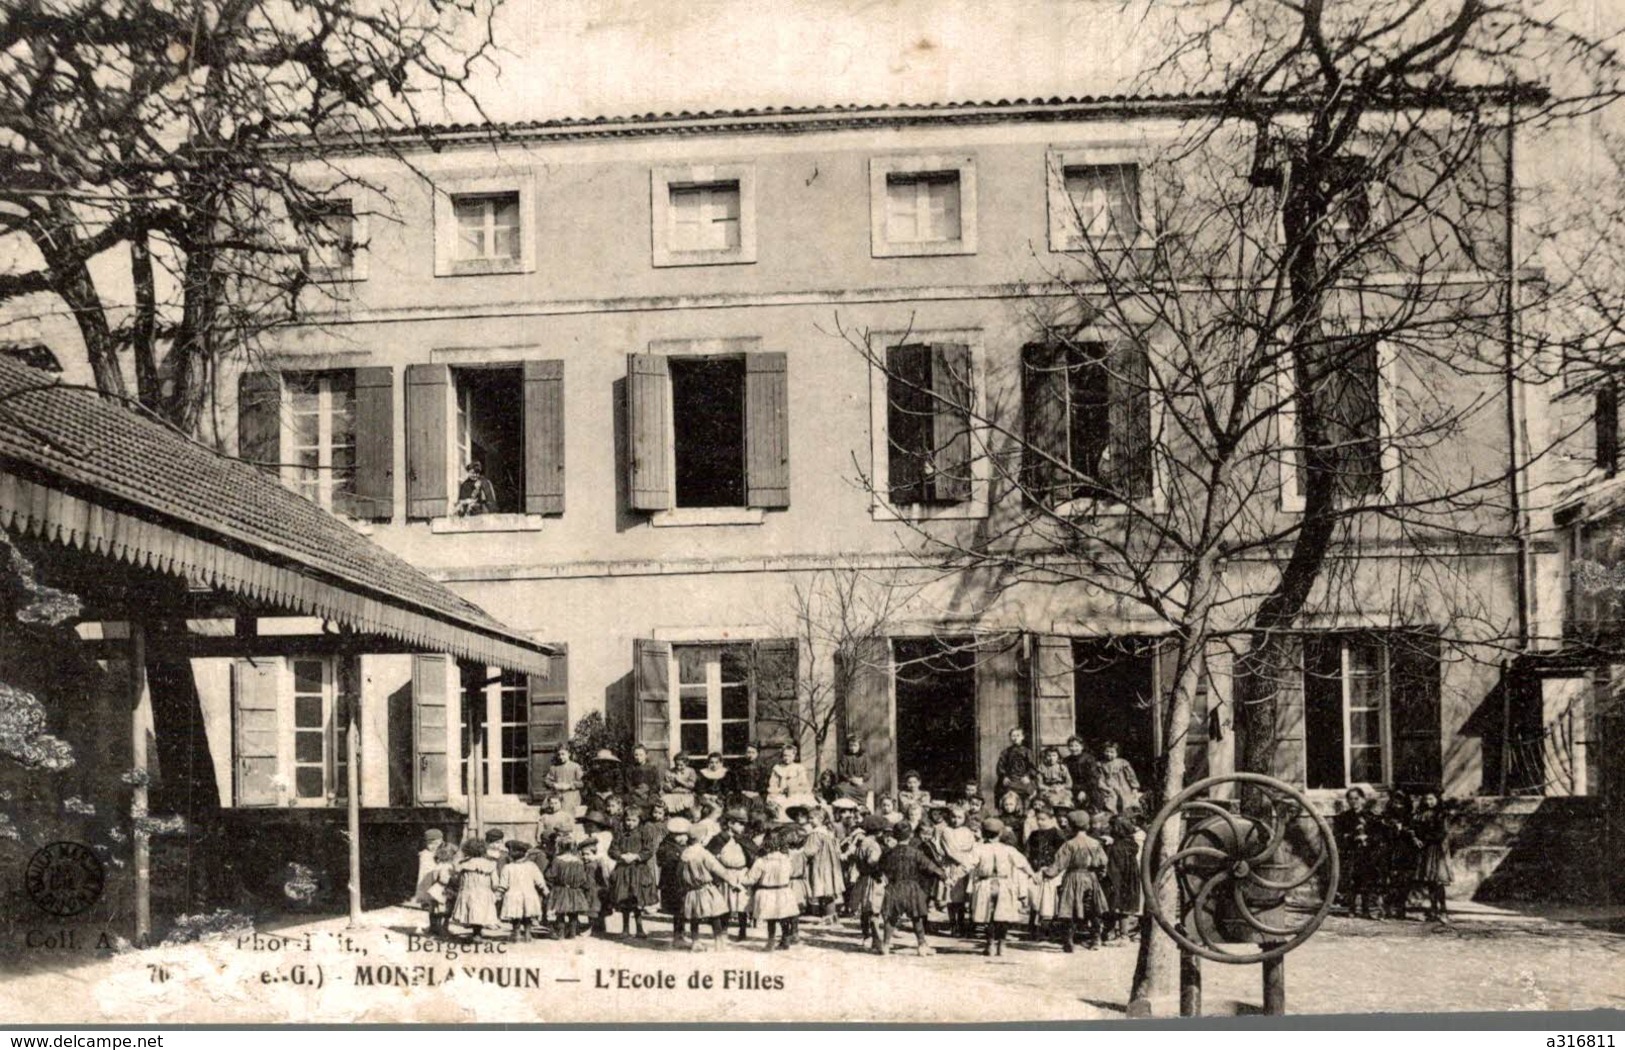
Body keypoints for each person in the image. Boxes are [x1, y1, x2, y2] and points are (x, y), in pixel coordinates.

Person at [968, 818, 1035, 956]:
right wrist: (1033, 875)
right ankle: (1002, 945)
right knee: (1002, 916)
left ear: (984, 833)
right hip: (1004, 884)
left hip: (985, 884)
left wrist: (951, 877)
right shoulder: (1009, 849)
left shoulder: (979, 849)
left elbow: (967, 865)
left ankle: (990, 944)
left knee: (988, 916)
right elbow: (1023, 864)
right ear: (1000, 833)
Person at [1044, 810, 1110, 952]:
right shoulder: (1095, 843)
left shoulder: (1069, 844)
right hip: (1091, 877)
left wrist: (1048, 873)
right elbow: (1103, 861)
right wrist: (1100, 874)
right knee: (1094, 908)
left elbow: (1059, 864)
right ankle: (1096, 939)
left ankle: (1069, 941)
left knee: (1069, 908)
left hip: (1073, 877)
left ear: (1072, 826)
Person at [877, 822, 945, 957]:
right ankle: (921, 946)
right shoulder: (916, 853)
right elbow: (931, 867)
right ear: (911, 835)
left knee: (891, 918)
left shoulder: (888, 853)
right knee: (917, 917)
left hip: (893, 887)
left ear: (895, 836)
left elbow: (880, 868)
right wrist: (944, 876)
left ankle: (885, 945)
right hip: (912, 888)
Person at [679, 824, 742, 951]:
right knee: (715, 914)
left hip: (691, 890)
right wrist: (733, 883)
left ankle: (695, 941)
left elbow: (679, 873)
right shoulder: (703, 853)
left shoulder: (684, 854)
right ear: (701, 838)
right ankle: (719, 943)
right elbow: (718, 869)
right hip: (706, 889)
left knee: (694, 917)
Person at [743, 826, 802, 952]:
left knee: (771, 919)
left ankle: (770, 942)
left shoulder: (761, 861)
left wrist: (743, 879)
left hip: (767, 891)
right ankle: (785, 939)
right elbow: (791, 873)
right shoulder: (786, 859)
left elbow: (751, 879)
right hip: (783, 890)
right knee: (784, 916)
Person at [607, 808, 661, 938]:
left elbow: (649, 850)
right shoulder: (619, 833)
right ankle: (625, 929)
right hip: (623, 870)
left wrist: (637, 856)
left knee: (637, 900)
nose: (630, 823)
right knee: (624, 900)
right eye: (627, 820)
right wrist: (621, 856)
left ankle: (639, 928)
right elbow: (612, 850)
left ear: (639, 821)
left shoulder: (644, 832)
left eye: (633, 820)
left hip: (638, 870)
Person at [708, 807, 757, 941]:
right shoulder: (719, 839)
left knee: (742, 904)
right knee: (726, 903)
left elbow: (753, 854)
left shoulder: (745, 839)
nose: (743, 827)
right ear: (730, 823)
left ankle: (743, 931)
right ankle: (724, 930)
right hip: (726, 874)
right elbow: (709, 856)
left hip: (742, 873)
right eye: (740, 824)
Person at [1023, 803, 1066, 942]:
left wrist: (1049, 869)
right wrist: (1032, 871)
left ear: (1051, 819)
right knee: (1035, 900)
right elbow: (1028, 853)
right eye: (1038, 819)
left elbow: (1061, 856)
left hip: (1051, 873)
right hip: (1036, 872)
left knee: (1049, 902)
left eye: (1043, 819)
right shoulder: (1034, 834)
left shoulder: (1058, 835)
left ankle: (1048, 930)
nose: (1040, 822)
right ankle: (1033, 930)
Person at [1334, 786, 1378, 918]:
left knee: (1366, 880)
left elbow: (1378, 835)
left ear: (1363, 800)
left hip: (1367, 853)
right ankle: (1351, 908)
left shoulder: (1371, 817)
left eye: (1357, 798)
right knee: (1352, 880)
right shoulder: (1343, 818)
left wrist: (1368, 838)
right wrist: (1353, 836)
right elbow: (1338, 836)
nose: (1354, 802)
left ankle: (1366, 909)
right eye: (1351, 799)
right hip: (1351, 853)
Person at [936, 803, 978, 936]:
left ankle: (963, 924)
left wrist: (967, 861)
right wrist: (964, 859)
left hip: (965, 868)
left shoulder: (967, 832)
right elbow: (951, 851)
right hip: (953, 866)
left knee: (964, 899)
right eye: (953, 817)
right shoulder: (946, 831)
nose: (956, 820)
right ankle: (953, 925)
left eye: (959, 817)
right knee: (952, 898)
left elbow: (972, 847)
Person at [1413, 790, 1455, 923]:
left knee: (1438, 881)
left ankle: (1443, 911)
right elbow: (1415, 828)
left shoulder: (1442, 814)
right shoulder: (1421, 814)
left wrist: (1425, 838)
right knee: (1429, 881)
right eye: (1426, 799)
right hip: (1426, 849)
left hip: (1437, 850)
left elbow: (1442, 833)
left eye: (1431, 799)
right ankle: (1433, 910)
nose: (1428, 802)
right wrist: (1416, 838)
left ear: (1437, 799)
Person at [848, 814, 889, 948]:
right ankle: (876, 938)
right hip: (873, 879)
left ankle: (866, 936)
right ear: (879, 831)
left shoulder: (862, 842)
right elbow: (872, 861)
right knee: (874, 909)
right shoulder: (874, 845)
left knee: (865, 910)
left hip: (863, 878)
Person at [451, 837, 502, 939]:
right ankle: (477, 933)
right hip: (484, 892)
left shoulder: (464, 864)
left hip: (468, 891)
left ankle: (475, 933)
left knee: (471, 911)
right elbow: (495, 882)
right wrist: (494, 890)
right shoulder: (490, 864)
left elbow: (457, 878)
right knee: (481, 912)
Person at [1103, 814, 1143, 943]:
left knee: (1113, 907)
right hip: (1130, 880)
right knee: (1124, 909)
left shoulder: (1116, 847)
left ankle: (1111, 932)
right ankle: (1123, 934)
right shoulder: (1131, 844)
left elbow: (1114, 867)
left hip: (1117, 880)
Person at [545, 838, 595, 939]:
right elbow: (583, 878)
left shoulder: (557, 860)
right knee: (574, 914)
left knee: (560, 913)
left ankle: (561, 934)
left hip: (560, 889)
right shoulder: (579, 862)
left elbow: (550, 875)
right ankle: (572, 934)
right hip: (575, 890)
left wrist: (555, 884)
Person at [498, 843, 548, 942]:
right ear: (525, 854)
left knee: (516, 916)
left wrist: (499, 893)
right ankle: (527, 934)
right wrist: (544, 890)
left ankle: (516, 934)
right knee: (527, 915)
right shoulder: (532, 866)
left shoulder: (507, 868)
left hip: (514, 895)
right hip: (529, 894)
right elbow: (539, 880)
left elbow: (503, 884)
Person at [657, 818, 694, 944]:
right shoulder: (667, 846)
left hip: (682, 881)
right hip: (672, 881)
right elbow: (664, 860)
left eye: (685, 835)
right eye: (679, 836)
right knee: (678, 909)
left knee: (683, 909)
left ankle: (681, 933)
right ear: (672, 835)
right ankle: (678, 935)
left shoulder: (685, 846)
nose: (683, 838)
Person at [1384, 789, 1419, 919]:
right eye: (1395, 803)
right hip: (1392, 851)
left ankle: (1401, 908)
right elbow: (1384, 834)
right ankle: (1388, 908)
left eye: (1401, 803)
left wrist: (1404, 830)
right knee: (1392, 879)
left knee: (1405, 880)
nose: (1398, 806)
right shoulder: (1387, 818)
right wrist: (1393, 828)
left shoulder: (1411, 817)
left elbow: (1415, 833)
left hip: (1407, 851)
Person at [995, 727, 1039, 805]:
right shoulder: (1006, 752)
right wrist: (1004, 776)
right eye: (1013, 736)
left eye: (1018, 736)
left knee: (1029, 791)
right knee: (1004, 790)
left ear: (1022, 737)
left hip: (1024, 779)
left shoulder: (1027, 752)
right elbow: (1000, 766)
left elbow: (1033, 767)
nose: (1015, 738)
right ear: (1010, 738)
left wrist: (1028, 776)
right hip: (1010, 778)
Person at [1097, 740, 1142, 814]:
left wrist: (1134, 787)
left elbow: (1131, 776)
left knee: (1126, 801)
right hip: (1109, 787)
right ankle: (1113, 815)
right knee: (1111, 801)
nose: (1109, 754)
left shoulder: (1122, 763)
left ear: (1117, 753)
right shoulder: (1101, 764)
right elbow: (1100, 778)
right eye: (1107, 751)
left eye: (1112, 752)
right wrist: (1105, 787)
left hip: (1122, 786)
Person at [425, 841, 459, 937]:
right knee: (443, 910)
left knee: (437, 909)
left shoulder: (439, 866)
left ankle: (435, 927)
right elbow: (444, 879)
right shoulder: (447, 866)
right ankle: (441, 929)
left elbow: (434, 878)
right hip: (444, 889)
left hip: (438, 888)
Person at [1063, 737, 1102, 811]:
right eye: (1071, 746)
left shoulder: (1089, 759)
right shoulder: (1066, 760)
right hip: (1072, 788)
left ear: (1082, 747)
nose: (1074, 748)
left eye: (1076, 746)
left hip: (1089, 788)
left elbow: (1093, 778)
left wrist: (1083, 791)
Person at [544, 745, 585, 817]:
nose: (560, 757)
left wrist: (570, 785)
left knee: (566, 810)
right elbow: (547, 781)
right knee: (548, 808)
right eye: (559, 754)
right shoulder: (554, 767)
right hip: (557, 794)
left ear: (569, 754)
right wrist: (554, 785)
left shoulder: (575, 766)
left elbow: (582, 783)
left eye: (563, 754)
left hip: (571, 794)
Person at [622, 743, 664, 811]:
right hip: (635, 793)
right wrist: (637, 791)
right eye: (636, 755)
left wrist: (649, 791)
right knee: (629, 800)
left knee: (653, 801)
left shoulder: (652, 768)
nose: (638, 757)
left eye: (641, 755)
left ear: (646, 755)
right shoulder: (630, 769)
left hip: (650, 793)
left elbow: (656, 784)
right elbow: (628, 784)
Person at [413, 829, 445, 912]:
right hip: (427, 874)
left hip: (437, 874)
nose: (433, 846)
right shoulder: (425, 854)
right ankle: (425, 901)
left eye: (436, 844)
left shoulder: (442, 852)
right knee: (425, 884)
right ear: (425, 844)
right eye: (430, 844)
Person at [837, 738, 872, 808]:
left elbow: (868, 772)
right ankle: (848, 807)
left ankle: (860, 806)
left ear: (860, 746)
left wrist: (861, 779)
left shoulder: (865, 757)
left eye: (855, 745)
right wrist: (850, 779)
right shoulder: (845, 757)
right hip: (848, 782)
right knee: (841, 789)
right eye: (851, 745)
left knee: (863, 790)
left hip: (860, 782)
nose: (853, 748)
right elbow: (841, 772)